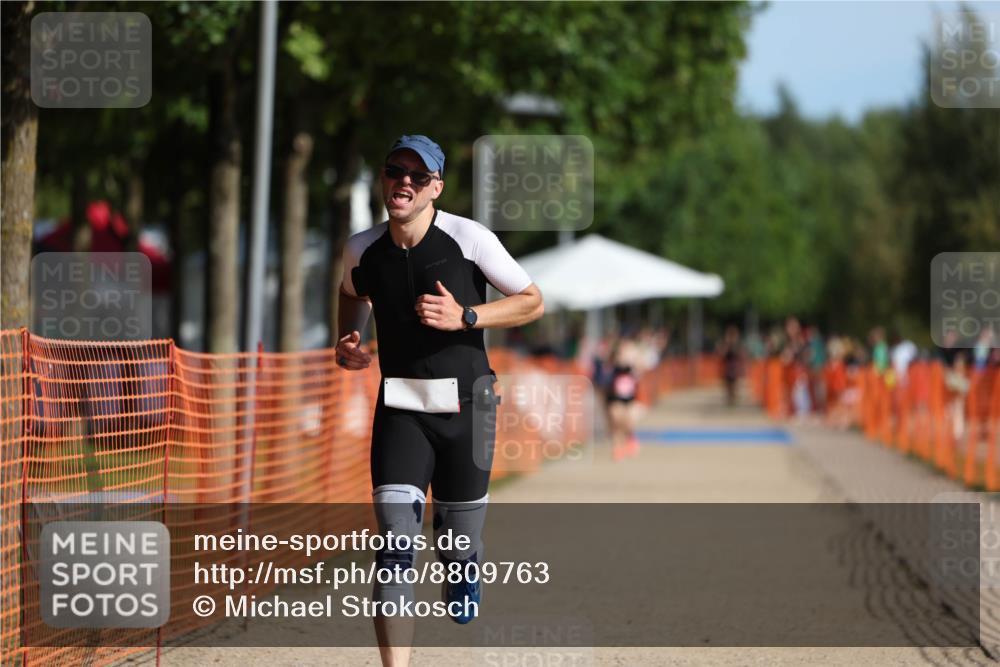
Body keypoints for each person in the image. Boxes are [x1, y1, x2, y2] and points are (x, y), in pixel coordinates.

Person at [335, 135, 544, 667]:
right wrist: (349, 339)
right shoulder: (362, 248)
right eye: (394, 171)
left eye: (417, 176)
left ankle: (463, 561)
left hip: (469, 413)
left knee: (454, 544)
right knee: (395, 548)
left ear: (436, 188)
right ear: (383, 179)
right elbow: (350, 291)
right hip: (401, 411)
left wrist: (467, 316)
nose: (403, 182)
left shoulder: (468, 239)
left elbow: (531, 301)